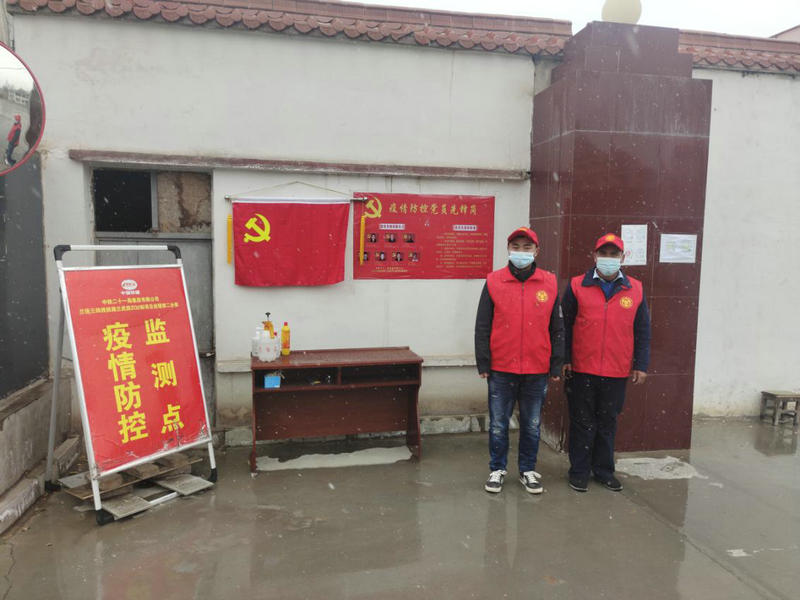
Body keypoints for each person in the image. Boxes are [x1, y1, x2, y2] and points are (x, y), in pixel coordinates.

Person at [475, 227, 564, 494]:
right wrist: (483, 361)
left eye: (527, 247)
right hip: (501, 368)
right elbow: (483, 324)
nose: (521, 252)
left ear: (537, 251)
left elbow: (557, 327)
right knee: (498, 424)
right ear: (508, 250)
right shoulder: (494, 281)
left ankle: (527, 470)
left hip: (537, 368)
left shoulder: (549, 282)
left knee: (532, 424)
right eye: (516, 247)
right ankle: (497, 469)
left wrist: (556, 363)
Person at [561, 233, 651, 493]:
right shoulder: (577, 285)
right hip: (582, 369)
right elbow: (564, 326)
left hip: (616, 370)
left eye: (614, 254)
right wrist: (565, 359)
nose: (608, 258)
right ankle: (579, 472)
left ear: (622, 258)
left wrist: (641, 364)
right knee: (582, 423)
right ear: (594, 255)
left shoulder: (635, 289)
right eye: (603, 253)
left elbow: (642, 330)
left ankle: (603, 471)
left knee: (607, 423)